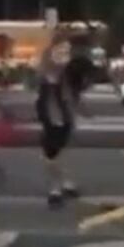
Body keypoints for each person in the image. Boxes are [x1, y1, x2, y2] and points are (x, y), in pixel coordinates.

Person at [36, 32, 83, 208]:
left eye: (67, 51)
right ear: (52, 50)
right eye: (61, 50)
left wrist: (76, 112)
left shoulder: (66, 71)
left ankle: (63, 184)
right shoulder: (49, 70)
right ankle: (57, 188)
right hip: (52, 114)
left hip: (63, 114)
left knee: (57, 152)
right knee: (51, 153)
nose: (65, 55)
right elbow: (50, 96)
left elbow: (70, 95)